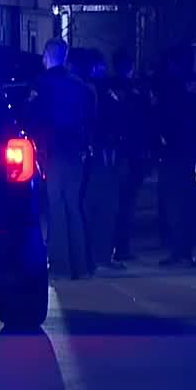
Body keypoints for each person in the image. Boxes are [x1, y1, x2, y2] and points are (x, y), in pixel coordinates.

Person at [27, 38, 97, 280]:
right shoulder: (80, 86)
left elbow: (31, 117)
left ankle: (60, 265)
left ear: (48, 55)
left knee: (56, 205)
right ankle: (82, 264)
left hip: (53, 151)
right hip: (76, 152)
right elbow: (91, 120)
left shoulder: (42, 83)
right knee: (74, 206)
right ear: (65, 57)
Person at [157, 48, 196, 268]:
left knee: (177, 205)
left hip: (176, 157)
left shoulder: (170, 88)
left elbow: (163, 121)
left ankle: (182, 251)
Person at [84, 55, 127, 271]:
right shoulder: (102, 92)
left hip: (97, 155)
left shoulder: (90, 90)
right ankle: (99, 254)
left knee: (97, 206)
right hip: (104, 156)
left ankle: (94, 254)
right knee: (105, 207)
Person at [112, 50, 151, 262]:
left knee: (119, 203)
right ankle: (122, 247)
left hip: (119, 154)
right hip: (134, 154)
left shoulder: (111, 90)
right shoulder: (138, 92)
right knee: (127, 204)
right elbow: (147, 122)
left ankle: (117, 246)